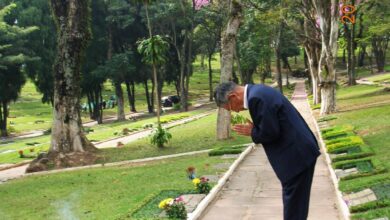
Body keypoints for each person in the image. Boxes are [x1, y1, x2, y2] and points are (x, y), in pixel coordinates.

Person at [214, 82, 320, 220]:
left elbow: (270, 133)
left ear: (233, 96)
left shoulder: (256, 98)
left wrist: (253, 132)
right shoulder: (258, 92)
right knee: (297, 207)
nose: (234, 111)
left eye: (229, 107)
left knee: (294, 208)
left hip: (296, 156)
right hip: (300, 153)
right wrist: (257, 129)